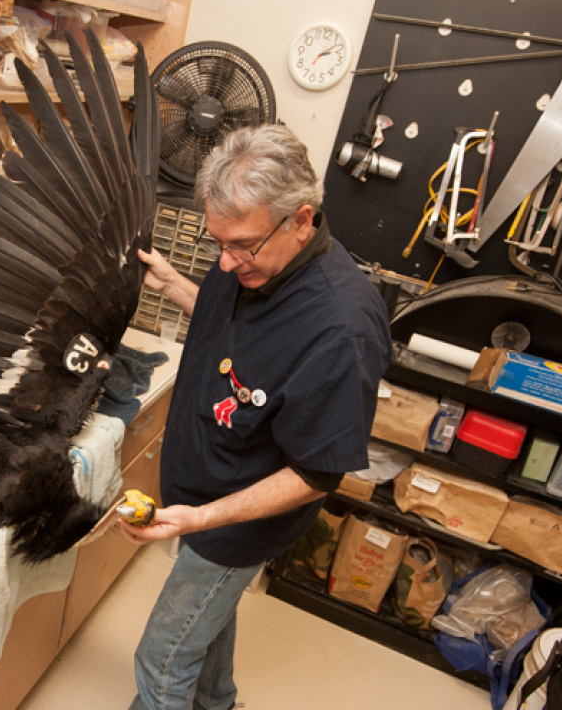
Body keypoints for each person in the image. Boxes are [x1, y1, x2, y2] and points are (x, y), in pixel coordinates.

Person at [119, 124, 392, 710]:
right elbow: (243, 345)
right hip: (202, 494)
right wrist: (175, 286)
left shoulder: (340, 330)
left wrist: (200, 520)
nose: (225, 262)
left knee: (164, 658)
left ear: (300, 219)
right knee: (208, 623)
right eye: (217, 241)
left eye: (241, 245)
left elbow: (316, 474)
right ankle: (219, 704)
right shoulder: (250, 263)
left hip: (237, 520)